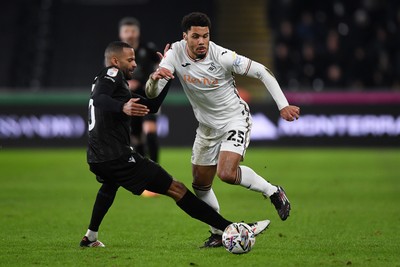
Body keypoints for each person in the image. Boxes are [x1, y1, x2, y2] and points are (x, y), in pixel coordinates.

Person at [79, 41, 270, 248]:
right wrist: (122, 107)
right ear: (116, 61)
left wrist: (168, 72)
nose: (134, 64)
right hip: (117, 156)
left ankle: (90, 236)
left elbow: (152, 106)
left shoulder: (112, 85)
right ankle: (231, 228)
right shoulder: (112, 73)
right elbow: (99, 98)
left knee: (109, 186)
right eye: (130, 59)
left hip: (98, 158)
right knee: (176, 188)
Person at [145, 12, 300, 248]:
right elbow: (152, 93)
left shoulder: (222, 56)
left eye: (205, 36)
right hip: (207, 127)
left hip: (234, 119)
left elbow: (261, 71)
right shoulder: (174, 53)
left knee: (226, 173)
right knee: (200, 184)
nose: (201, 42)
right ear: (184, 36)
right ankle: (218, 231)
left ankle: (273, 192)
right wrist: (156, 78)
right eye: (195, 36)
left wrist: (283, 105)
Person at [118, 17, 161, 163]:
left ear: (138, 32)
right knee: (136, 137)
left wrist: (146, 81)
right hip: (129, 99)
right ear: (121, 34)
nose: (130, 34)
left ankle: (157, 168)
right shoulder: (116, 54)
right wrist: (126, 84)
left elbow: (161, 67)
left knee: (150, 131)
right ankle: (144, 170)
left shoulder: (148, 49)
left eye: (133, 31)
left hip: (148, 97)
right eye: (126, 31)